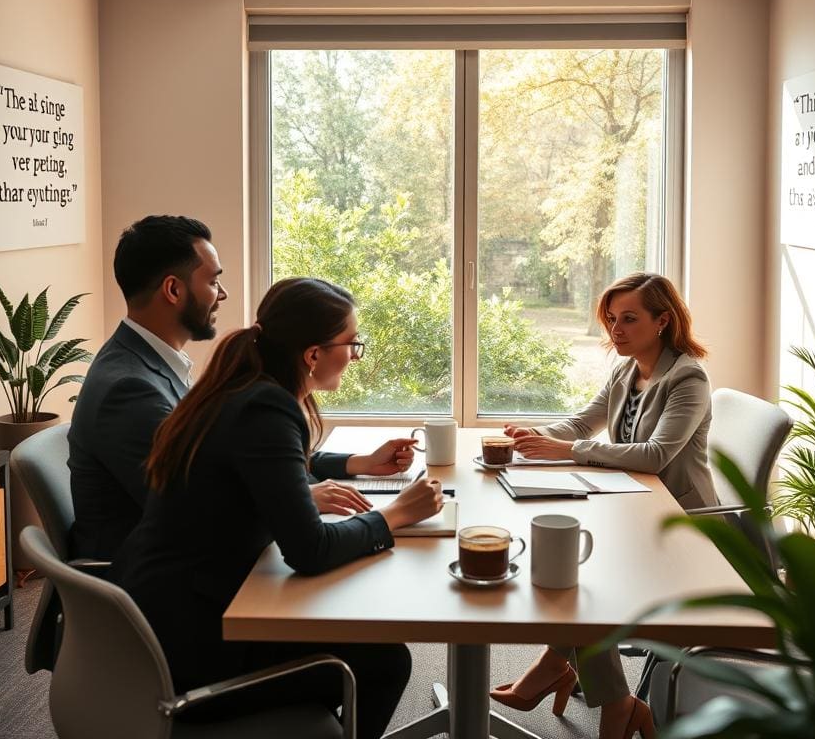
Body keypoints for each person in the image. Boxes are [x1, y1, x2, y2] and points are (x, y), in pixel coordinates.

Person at [111, 277, 443, 739]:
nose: (355, 355)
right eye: (352, 344)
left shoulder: (243, 388)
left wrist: (359, 463)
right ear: (312, 354)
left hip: (162, 617)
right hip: (193, 651)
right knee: (386, 661)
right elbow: (310, 551)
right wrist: (395, 514)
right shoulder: (266, 407)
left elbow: (266, 463)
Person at [69, 215, 402, 562]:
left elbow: (238, 452)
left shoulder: (151, 364)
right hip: (155, 579)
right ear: (173, 290)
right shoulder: (130, 390)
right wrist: (294, 500)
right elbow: (194, 505)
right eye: (213, 281)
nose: (223, 294)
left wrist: (354, 463)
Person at [491, 272, 716, 739]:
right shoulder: (626, 368)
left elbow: (656, 454)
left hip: (682, 526)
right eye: (611, 319)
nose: (616, 329)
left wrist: (569, 452)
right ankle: (600, 692)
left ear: (662, 321)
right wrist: (535, 438)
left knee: (580, 580)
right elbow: (582, 423)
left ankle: (576, 679)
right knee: (567, 570)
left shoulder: (687, 377)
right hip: (633, 509)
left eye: (629, 319)